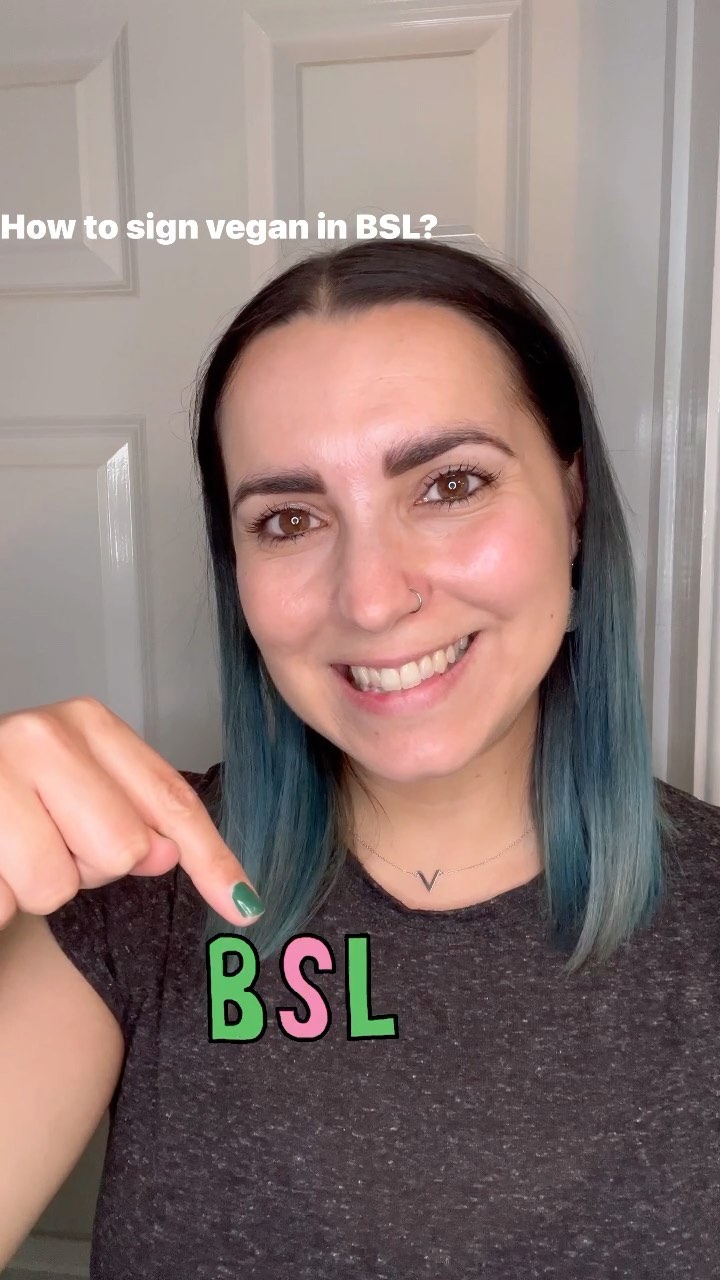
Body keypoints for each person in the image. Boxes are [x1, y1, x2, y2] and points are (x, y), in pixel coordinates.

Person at [0, 238, 718, 1279]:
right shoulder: (137, 896)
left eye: (451, 483)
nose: (373, 598)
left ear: (571, 504)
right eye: (290, 518)